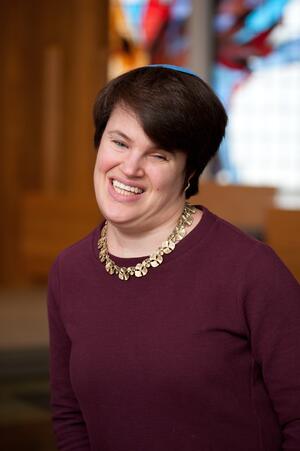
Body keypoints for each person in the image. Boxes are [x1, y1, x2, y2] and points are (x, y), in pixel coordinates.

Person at [47, 65, 300, 451]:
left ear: (190, 171)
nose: (130, 168)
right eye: (119, 142)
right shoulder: (69, 271)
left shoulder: (251, 271)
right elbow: (69, 416)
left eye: (159, 155)